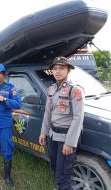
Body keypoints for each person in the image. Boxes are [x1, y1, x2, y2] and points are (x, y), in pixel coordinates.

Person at [39, 57, 84, 190]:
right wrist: (43, 132)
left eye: (62, 68)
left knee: (64, 173)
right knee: (54, 167)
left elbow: (78, 117)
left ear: (68, 70)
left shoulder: (75, 90)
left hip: (66, 139)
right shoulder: (51, 89)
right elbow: (48, 113)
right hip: (53, 136)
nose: (58, 71)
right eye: (55, 68)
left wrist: (70, 142)